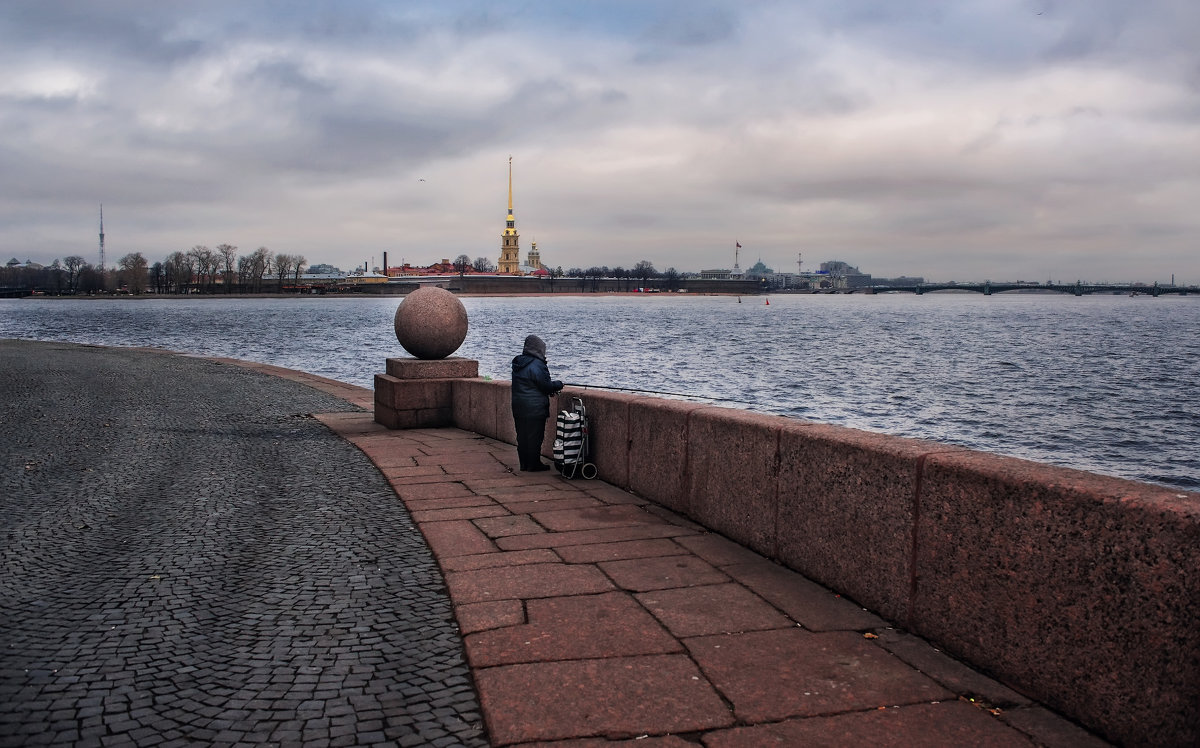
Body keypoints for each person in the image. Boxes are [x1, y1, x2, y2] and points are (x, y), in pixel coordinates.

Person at [511, 334, 563, 471]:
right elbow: (545, 386)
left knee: (522, 436)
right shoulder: (538, 365)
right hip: (534, 408)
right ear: (538, 349)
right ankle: (534, 464)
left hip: (518, 406)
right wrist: (558, 384)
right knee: (535, 437)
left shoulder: (518, 364)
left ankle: (524, 464)